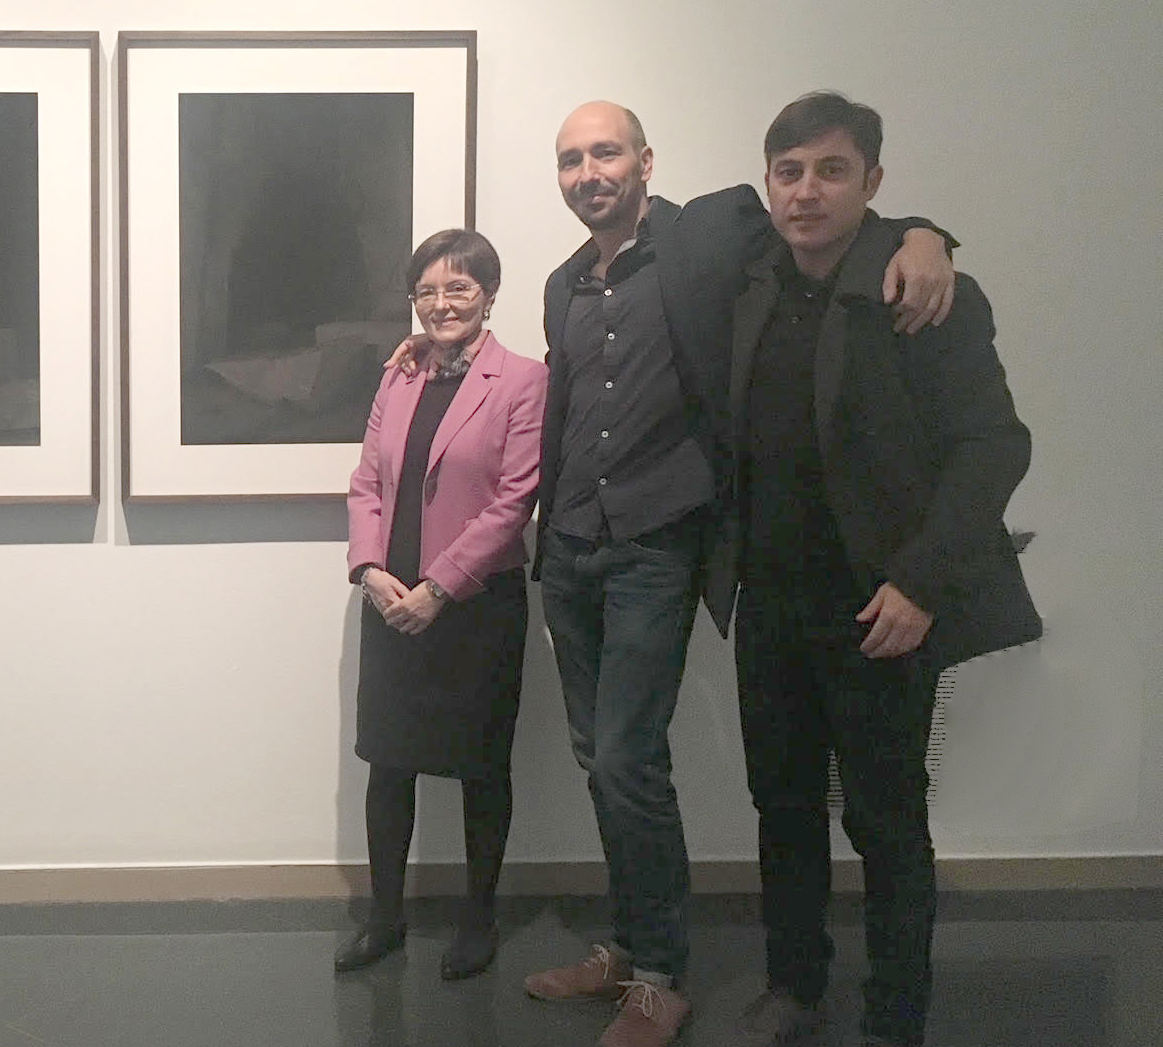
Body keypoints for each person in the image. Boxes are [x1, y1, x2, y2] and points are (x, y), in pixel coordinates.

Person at [393, 103, 956, 1047]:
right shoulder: (564, 283)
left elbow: (825, 213)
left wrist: (929, 237)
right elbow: (555, 397)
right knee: (597, 761)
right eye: (570, 158)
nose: (588, 171)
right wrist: (435, 352)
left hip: (658, 545)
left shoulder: (711, 233)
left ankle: (661, 975)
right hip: (568, 546)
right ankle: (629, 942)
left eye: (606, 151)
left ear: (646, 161)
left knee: (627, 759)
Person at [711, 91, 1039, 1047]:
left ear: (874, 183)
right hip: (768, 603)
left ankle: (898, 1009)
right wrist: (932, 229)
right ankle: (795, 984)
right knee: (782, 808)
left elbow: (995, 447)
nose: (807, 190)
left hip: (880, 607)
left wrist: (922, 583)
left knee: (887, 821)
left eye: (832, 170)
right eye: (790, 171)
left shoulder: (924, 294)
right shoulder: (749, 281)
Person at [336, 229, 547, 982]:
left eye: (459, 288)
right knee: (387, 763)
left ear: (490, 295)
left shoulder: (523, 380)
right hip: (390, 597)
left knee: (480, 766)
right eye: (427, 290)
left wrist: (439, 586)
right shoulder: (399, 376)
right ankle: (385, 916)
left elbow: (515, 498)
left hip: (476, 604)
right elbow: (367, 480)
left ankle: (478, 919)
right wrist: (368, 567)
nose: (442, 302)